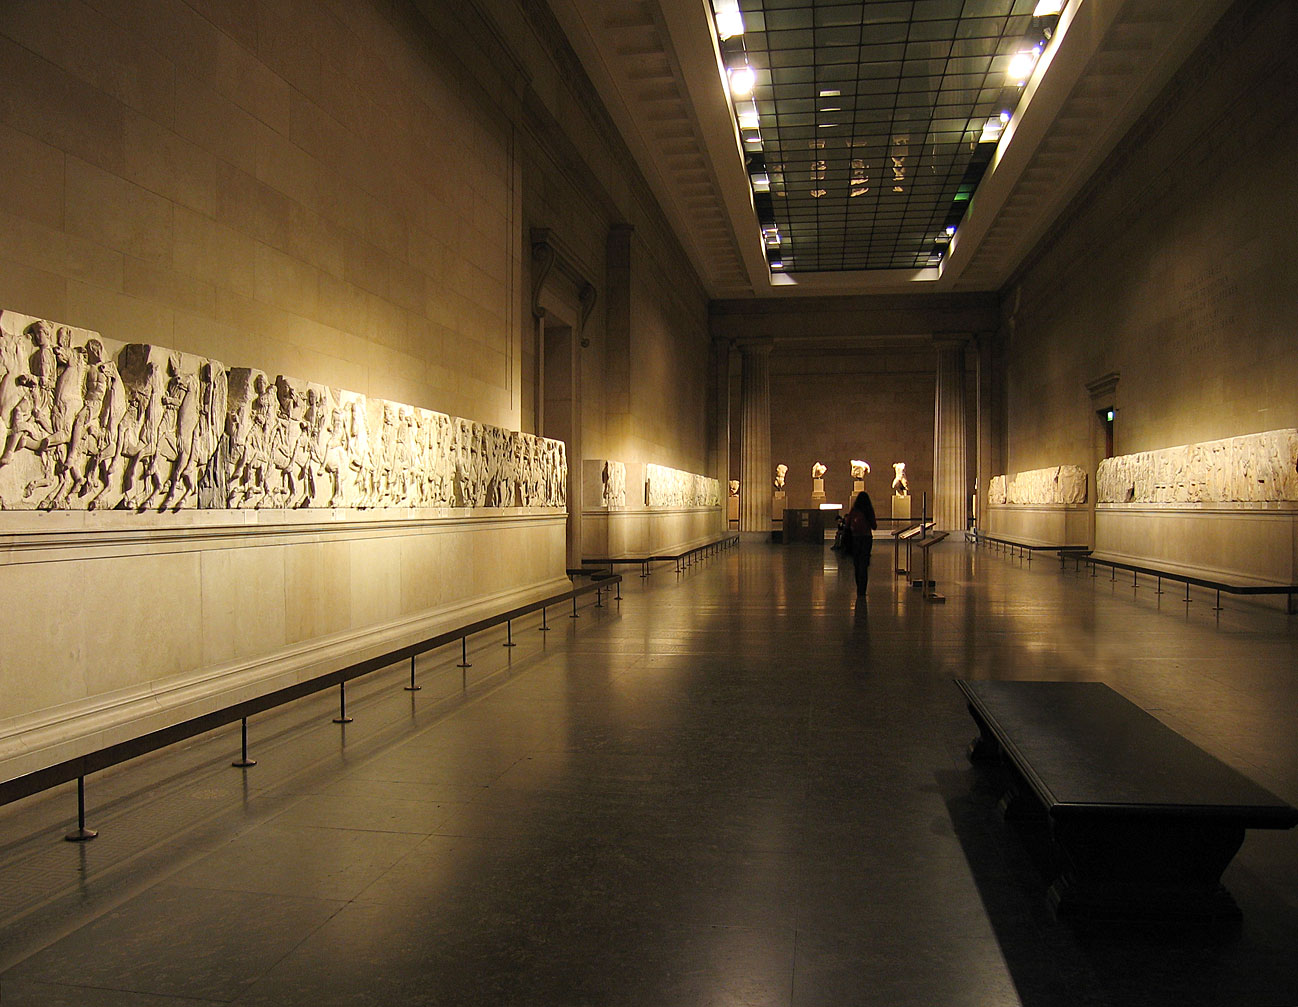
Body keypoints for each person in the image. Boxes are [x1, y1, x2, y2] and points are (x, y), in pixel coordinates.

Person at [844, 490, 877, 597]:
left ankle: (859, 586)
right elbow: (874, 526)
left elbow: (847, 524)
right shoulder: (868, 510)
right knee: (864, 563)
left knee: (857, 563)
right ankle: (862, 589)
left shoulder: (854, 510)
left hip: (855, 538)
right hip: (866, 538)